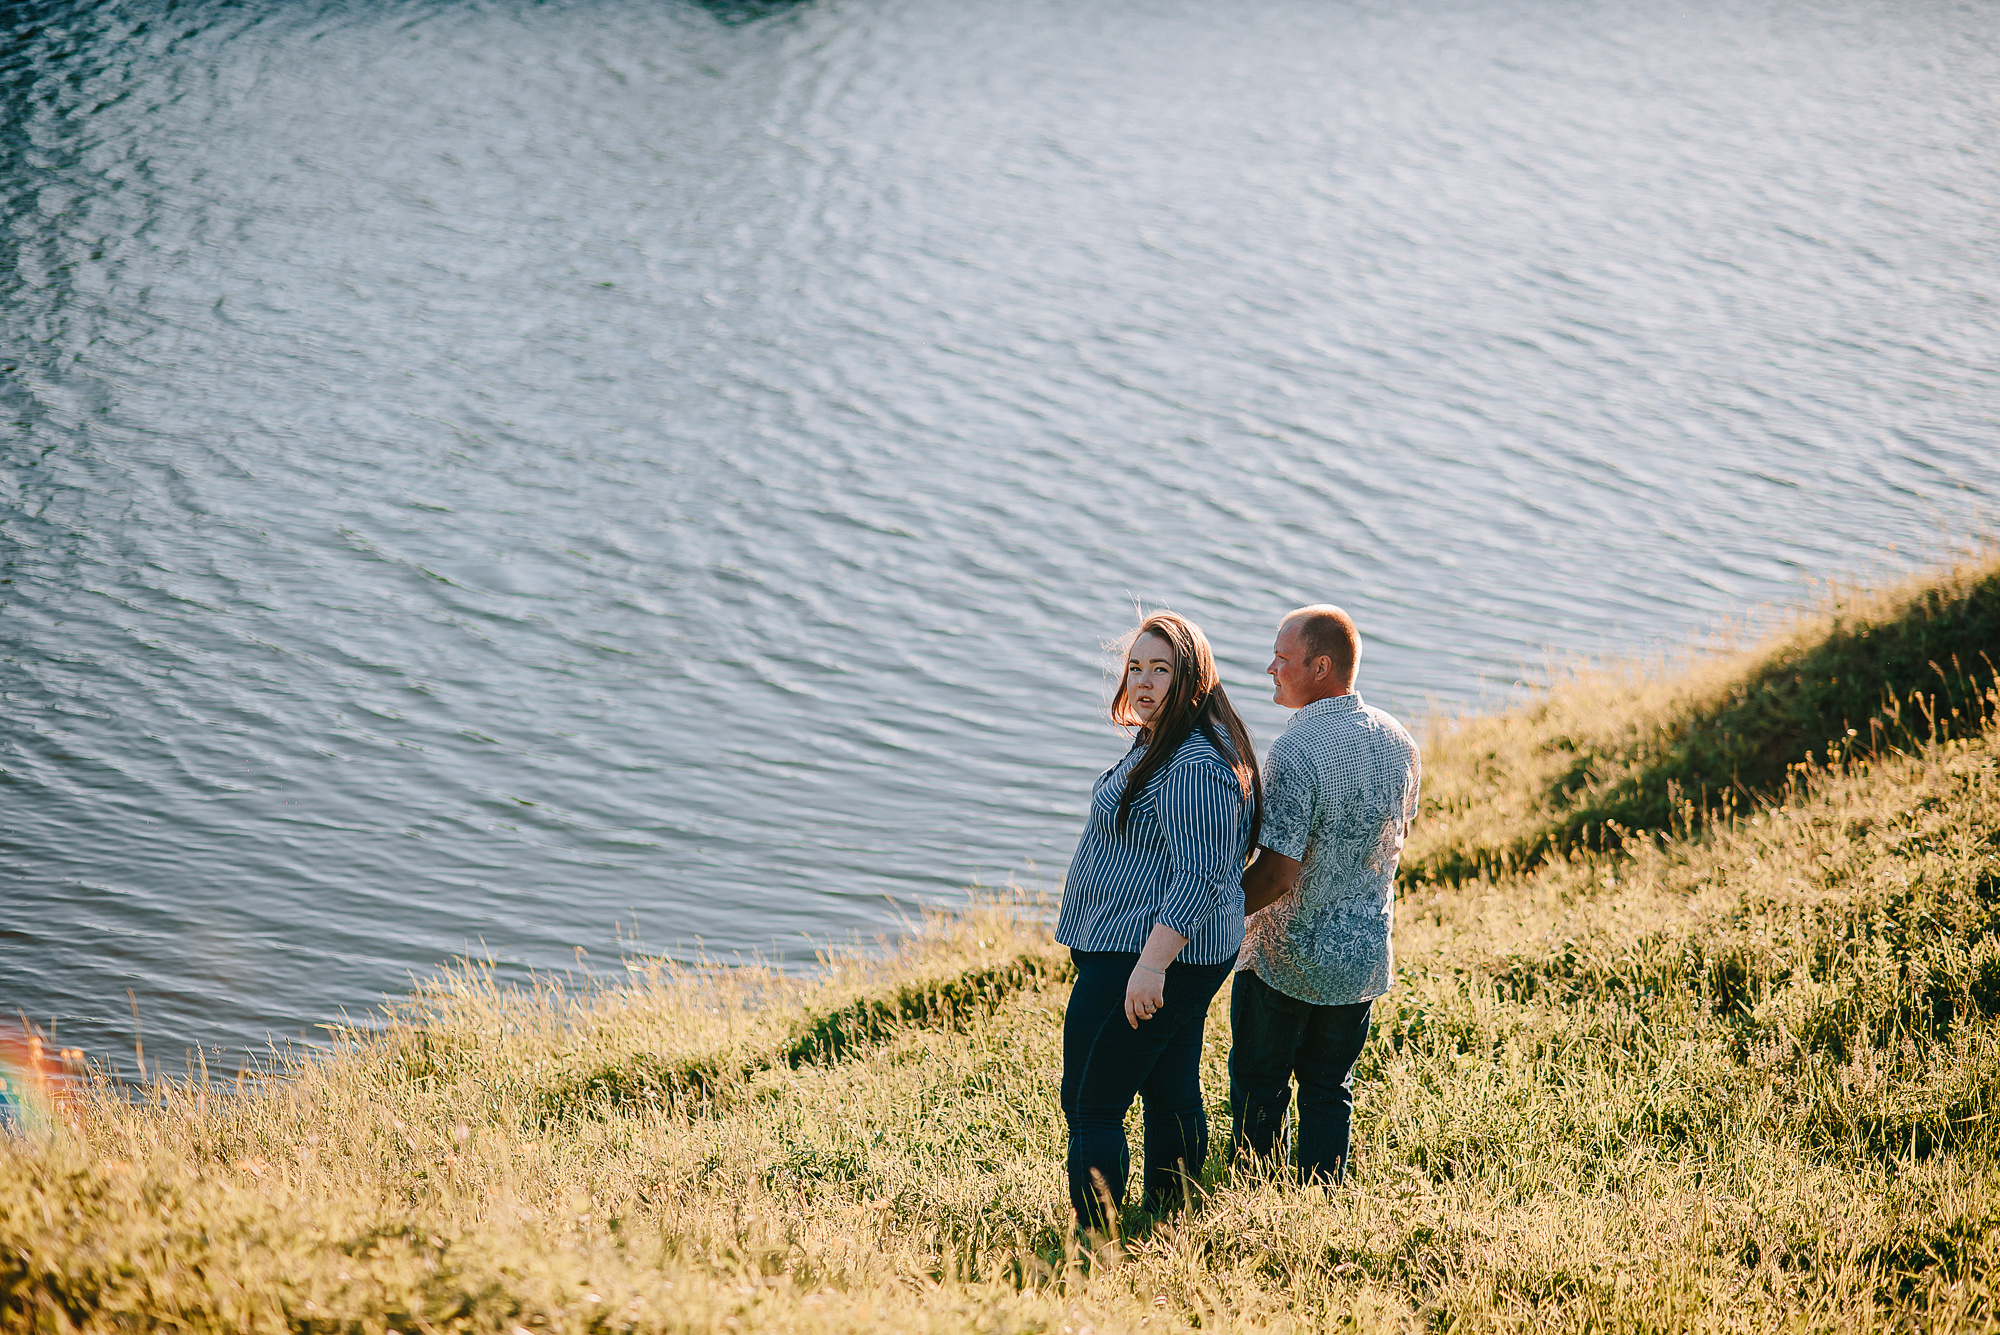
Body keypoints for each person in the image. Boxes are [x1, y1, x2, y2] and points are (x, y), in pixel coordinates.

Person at [1054, 610, 1262, 1233]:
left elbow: (1200, 876)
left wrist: (1150, 966)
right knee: (1169, 1084)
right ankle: (1175, 1216)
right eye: (1135, 667)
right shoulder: (1162, 745)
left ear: (1191, 679)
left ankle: (1099, 1237)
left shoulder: (1194, 766)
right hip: (1143, 945)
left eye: (1161, 670)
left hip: (1148, 951)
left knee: (1092, 1102)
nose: (1143, 682)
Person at [1230, 604, 1420, 1187]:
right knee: (1329, 1088)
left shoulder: (1296, 750)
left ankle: (1251, 1199)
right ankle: (1318, 1201)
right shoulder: (1401, 741)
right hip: (1361, 959)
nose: (1270, 668)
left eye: (1282, 659)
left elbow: (1279, 872)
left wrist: (1216, 915)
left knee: (1260, 1086)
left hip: (1288, 956)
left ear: (1320, 666)